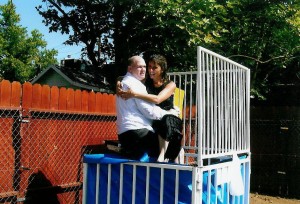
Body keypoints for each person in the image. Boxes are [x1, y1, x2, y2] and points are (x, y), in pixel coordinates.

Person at [117, 55, 184, 164]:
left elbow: (157, 99)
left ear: (162, 69)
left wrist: (134, 94)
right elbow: (127, 77)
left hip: (168, 118)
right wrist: (119, 82)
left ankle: (173, 164)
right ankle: (163, 159)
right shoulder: (146, 81)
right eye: (149, 67)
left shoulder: (170, 84)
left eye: (154, 68)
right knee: (160, 128)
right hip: (155, 120)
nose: (150, 70)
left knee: (174, 140)